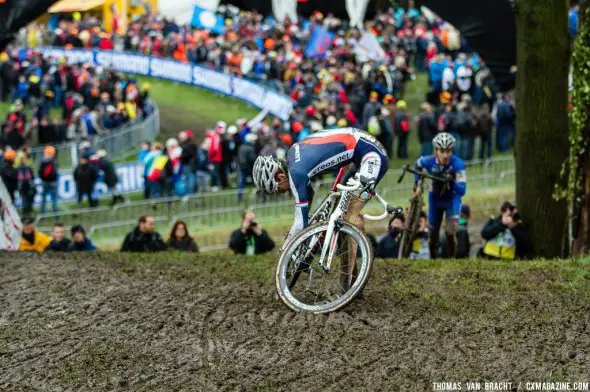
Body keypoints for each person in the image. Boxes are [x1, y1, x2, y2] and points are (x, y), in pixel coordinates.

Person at [253, 127, 389, 242]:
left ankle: (351, 273)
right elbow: (309, 192)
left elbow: (300, 222)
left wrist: (288, 245)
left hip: (371, 155)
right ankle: (346, 271)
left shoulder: (296, 173)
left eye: (277, 189)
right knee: (337, 210)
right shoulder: (292, 154)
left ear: (280, 176)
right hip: (357, 147)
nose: (280, 193)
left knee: (347, 218)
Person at [414, 132, 467, 259]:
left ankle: (451, 258)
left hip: (452, 199)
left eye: (448, 151)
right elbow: (417, 164)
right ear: (435, 150)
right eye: (442, 151)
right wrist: (417, 182)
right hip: (435, 199)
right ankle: (433, 258)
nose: (445, 155)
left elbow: (462, 190)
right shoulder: (428, 161)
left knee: (449, 232)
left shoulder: (458, 164)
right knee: (433, 233)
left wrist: (452, 181)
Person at [38, 145, 58, 213]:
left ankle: (42, 213)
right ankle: (55, 213)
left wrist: (43, 178)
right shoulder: (53, 160)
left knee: (43, 198)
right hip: (53, 182)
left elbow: (39, 171)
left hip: (44, 182)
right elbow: (55, 172)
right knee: (54, 198)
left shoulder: (41, 160)